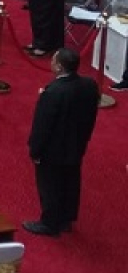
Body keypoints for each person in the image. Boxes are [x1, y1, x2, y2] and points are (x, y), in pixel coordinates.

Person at [24, 47, 100, 236]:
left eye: (53, 60)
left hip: (53, 150)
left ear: (59, 67)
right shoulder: (90, 85)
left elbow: (43, 125)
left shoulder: (53, 93)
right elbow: (91, 115)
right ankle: (66, 219)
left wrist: (35, 150)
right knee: (71, 182)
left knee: (49, 186)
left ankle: (49, 223)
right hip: (77, 145)